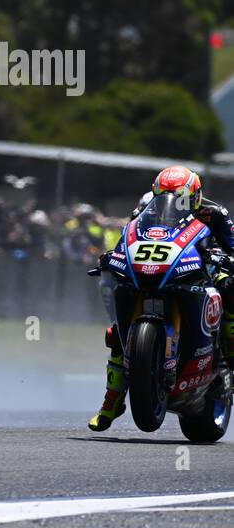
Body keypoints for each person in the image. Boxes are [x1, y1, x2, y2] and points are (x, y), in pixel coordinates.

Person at [90, 165, 234, 431]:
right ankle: (113, 399)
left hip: (202, 274)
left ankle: (229, 359)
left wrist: (225, 259)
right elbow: (131, 236)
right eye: (165, 195)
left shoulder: (214, 213)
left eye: (180, 197)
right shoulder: (147, 206)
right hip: (161, 269)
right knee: (117, 333)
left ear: (195, 195)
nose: (172, 202)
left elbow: (233, 243)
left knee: (228, 287)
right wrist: (114, 256)